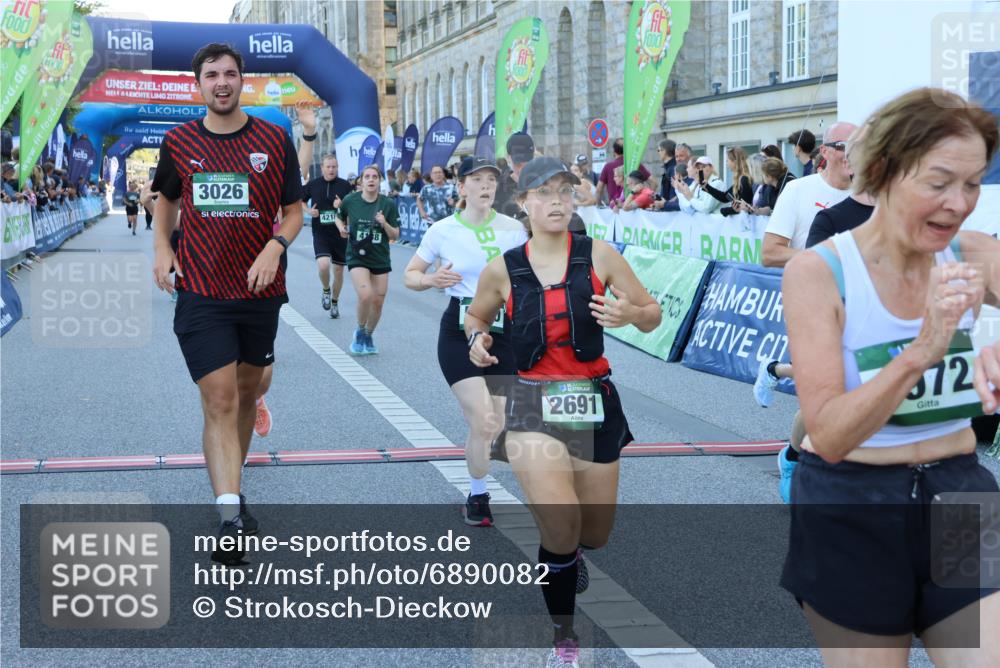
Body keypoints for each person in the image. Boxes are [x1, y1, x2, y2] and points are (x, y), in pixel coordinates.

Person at [780, 87, 1000, 665]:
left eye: (973, 183)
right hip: (854, 506)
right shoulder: (819, 272)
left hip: (958, 495)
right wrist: (919, 352)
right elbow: (827, 435)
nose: (959, 203)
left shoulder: (974, 254)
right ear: (882, 172)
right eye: (938, 182)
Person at [465, 156, 662, 667]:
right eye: (545, 193)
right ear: (523, 203)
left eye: (564, 192)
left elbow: (652, 313)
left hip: (594, 400)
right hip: (533, 401)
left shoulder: (600, 255)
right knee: (559, 524)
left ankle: (570, 557)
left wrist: (629, 313)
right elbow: (475, 315)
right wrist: (478, 340)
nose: (556, 202)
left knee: (592, 534)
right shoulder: (502, 268)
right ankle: (564, 635)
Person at [151, 42, 304, 565]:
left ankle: (234, 482)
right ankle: (230, 514)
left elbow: (293, 212)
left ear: (243, 82)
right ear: (199, 84)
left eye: (230, 74)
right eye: (212, 75)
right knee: (219, 399)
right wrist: (161, 250)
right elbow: (166, 200)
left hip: (260, 292)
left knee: (245, 390)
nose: (222, 82)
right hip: (201, 291)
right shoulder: (178, 142)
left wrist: (273, 246)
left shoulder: (272, 138)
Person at [404, 156, 528, 527]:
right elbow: (411, 275)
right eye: (478, 179)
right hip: (459, 329)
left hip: (503, 331)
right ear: (462, 188)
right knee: (485, 420)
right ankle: (477, 494)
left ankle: (477, 441)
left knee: (495, 423)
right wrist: (430, 281)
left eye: (492, 179)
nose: (487, 185)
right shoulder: (442, 231)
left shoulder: (514, 230)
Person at [762, 121, 857, 267]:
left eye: (858, 146)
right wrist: (826, 257)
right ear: (824, 151)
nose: (851, 153)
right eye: (843, 146)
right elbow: (770, 254)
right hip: (812, 286)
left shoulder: (872, 195)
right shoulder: (797, 189)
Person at [295, 104, 354, 319]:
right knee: (322, 265)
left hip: (340, 234)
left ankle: (335, 301)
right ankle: (326, 290)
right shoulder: (314, 184)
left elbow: (352, 207)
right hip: (320, 232)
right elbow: (299, 200)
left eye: (334, 167)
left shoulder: (345, 185)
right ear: (322, 168)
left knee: (338, 271)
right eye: (328, 167)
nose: (331, 170)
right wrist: (308, 211)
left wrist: (342, 207)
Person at [336, 164, 400, 355]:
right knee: (366, 295)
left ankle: (368, 334)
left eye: (375, 177)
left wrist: (384, 223)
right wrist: (341, 228)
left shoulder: (387, 204)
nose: (371, 180)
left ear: (380, 181)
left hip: (380, 257)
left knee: (378, 302)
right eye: (367, 177)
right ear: (361, 181)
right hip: (357, 255)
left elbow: (395, 235)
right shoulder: (351, 200)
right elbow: (339, 217)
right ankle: (360, 329)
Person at [596, 137, 650, 205]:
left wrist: (599, 205)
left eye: (615, 176)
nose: (614, 178)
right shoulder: (635, 165)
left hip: (616, 210)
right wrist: (646, 201)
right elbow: (654, 182)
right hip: (633, 210)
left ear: (614, 152)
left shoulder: (608, 167)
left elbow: (598, 190)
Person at [704, 147, 753, 216]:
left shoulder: (744, 180)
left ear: (735, 161)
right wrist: (707, 187)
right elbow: (725, 197)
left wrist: (724, 211)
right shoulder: (740, 179)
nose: (726, 164)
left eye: (727, 160)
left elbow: (745, 207)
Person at [494, 132, 535, 217]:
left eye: (527, 164)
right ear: (508, 158)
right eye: (518, 164)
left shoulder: (543, 183)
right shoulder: (497, 189)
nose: (523, 169)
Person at [650, 139, 679, 211]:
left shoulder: (673, 168)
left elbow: (675, 193)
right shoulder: (669, 168)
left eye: (658, 150)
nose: (658, 153)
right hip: (669, 208)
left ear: (664, 151)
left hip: (672, 211)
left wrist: (665, 204)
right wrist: (657, 198)